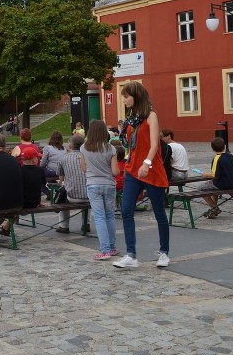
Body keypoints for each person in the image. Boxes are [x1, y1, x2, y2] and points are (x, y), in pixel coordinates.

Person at [114, 81, 171, 269]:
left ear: (135, 96)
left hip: (150, 170)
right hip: (132, 169)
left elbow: (155, 144)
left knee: (159, 213)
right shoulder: (132, 118)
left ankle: (164, 252)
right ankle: (131, 255)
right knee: (126, 210)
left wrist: (146, 163)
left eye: (126, 96)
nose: (123, 100)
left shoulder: (150, 115)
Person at [81, 120, 120, 260]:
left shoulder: (84, 148)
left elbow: (84, 168)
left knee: (99, 217)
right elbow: (115, 171)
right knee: (110, 215)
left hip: (93, 184)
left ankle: (105, 250)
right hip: (109, 184)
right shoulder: (111, 148)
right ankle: (112, 246)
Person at [196, 137, 233, 219]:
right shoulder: (231, 156)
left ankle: (214, 207)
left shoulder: (216, 158)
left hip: (222, 184)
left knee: (200, 188)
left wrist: (206, 174)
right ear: (225, 146)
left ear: (212, 148)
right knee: (214, 185)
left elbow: (214, 175)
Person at [56, 135, 88, 234]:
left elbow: (61, 179)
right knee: (87, 191)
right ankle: (86, 224)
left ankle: (63, 226)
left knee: (63, 195)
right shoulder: (88, 157)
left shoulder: (63, 158)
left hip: (72, 196)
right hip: (89, 195)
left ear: (70, 145)